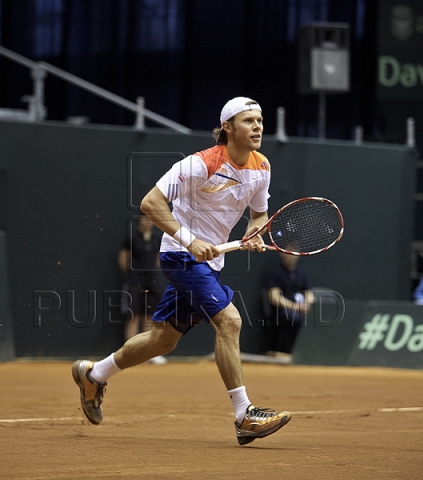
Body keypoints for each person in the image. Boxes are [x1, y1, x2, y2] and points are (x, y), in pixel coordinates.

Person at [72, 97, 292, 446]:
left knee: (164, 340)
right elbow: (150, 203)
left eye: (260, 120)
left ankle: (94, 374)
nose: (258, 126)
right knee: (230, 321)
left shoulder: (261, 166)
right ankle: (244, 414)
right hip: (181, 256)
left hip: (211, 262)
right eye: (249, 121)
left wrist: (254, 233)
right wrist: (189, 240)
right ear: (228, 129)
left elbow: (259, 214)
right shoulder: (199, 164)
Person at [117, 213, 167, 364]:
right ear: (140, 220)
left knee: (149, 317)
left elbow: (158, 259)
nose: (148, 221)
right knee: (133, 316)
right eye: (145, 218)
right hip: (134, 282)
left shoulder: (157, 239)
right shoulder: (132, 238)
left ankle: (148, 353)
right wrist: (133, 275)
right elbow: (123, 259)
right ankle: (130, 353)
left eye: (151, 218)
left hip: (152, 282)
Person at [263, 252, 314, 359]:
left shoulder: (302, 272)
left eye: (294, 252)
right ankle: (282, 351)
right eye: (288, 251)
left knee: (311, 318)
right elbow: (274, 298)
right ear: (282, 253)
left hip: (300, 310)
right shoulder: (275, 272)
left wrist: (307, 304)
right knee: (291, 317)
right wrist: (295, 307)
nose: (291, 255)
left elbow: (310, 294)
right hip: (281, 311)